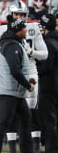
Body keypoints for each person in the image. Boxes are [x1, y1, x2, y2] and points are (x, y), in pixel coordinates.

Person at [0, 0, 47, 153]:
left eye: (22, 14)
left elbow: (44, 54)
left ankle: (32, 148)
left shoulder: (31, 29)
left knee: (29, 112)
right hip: (10, 78)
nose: (20, 17)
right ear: (11, 15)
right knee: (7, 118)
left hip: (29, 71)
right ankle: (11, 148)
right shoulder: (4, 33)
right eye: (17, 14)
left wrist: (31, 52)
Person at [0, 15, 36, 153]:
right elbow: (15, 71)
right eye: (23, 27)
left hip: (13, 91)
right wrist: (28, 85)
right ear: (18, 30)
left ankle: (26, 150)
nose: (26, 30)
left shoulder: (12, 43)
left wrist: (27, 80)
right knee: (3, 123)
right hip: (8, 91)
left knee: (25, 120)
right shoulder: (12, 46)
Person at [37, 13, 58, 153]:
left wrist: (34, 67)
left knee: (49, 120)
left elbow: (46, 67)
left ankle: (51, 149)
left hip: (49, 85)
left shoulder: (47, 43)